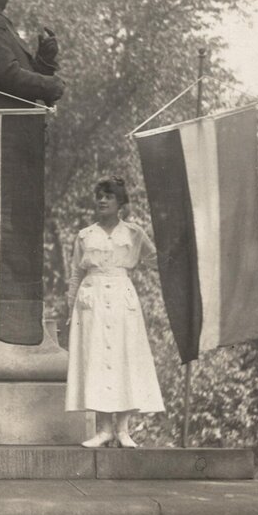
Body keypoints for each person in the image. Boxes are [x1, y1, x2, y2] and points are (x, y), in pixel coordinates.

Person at [66, 176, 165, 448]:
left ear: (120, 202)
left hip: (122, 298)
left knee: (123, 358)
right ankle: (103, 429)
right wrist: (71, 304)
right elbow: (76, 272)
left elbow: (157, 260)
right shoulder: (85, 235)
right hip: (92, 298)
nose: (102, 200)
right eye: (99, 195)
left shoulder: (133, 233)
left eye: (108, 196)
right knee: (97, 359)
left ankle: (123, 429)